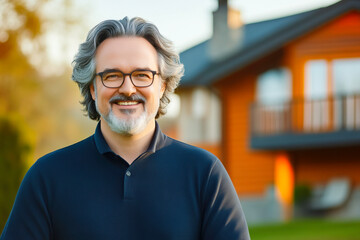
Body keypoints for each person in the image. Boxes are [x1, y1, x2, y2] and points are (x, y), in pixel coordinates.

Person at [1, 17, 250, 240]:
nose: (128, 88)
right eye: (111, 75)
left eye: (142, 75)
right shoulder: (47, 178)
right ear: (92, 87)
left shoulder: (205, 175)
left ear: (162, 85)